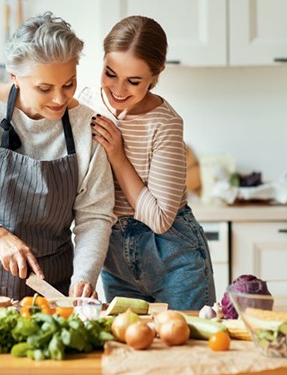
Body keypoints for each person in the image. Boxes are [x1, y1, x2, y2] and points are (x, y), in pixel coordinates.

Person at [0, 12, 116, 300]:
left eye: (68, 84)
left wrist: (84, 276)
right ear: (14, 78)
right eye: (44, 88)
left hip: (48, 288)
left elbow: (94, 213)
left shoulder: (86, 125)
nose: (60, 99)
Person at [79, 15, 216, 310]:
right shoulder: (86, 103)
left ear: (156, 75)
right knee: (130, 349)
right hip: (114, 256)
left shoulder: (165, 123)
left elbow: (159, 219)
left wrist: (118, 156)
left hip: (172, 256)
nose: (117, 89)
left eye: (134, 81)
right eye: (110, 73)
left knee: (186, 351)